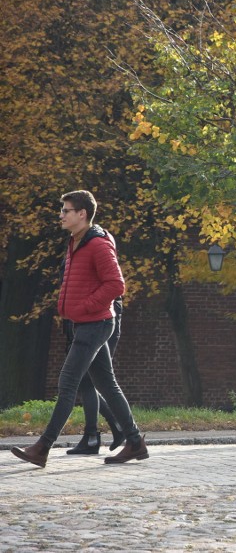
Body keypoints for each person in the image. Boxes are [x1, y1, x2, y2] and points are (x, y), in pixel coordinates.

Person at [11, 190, 147, 467]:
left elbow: (116, 285)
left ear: (81, 214)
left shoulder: (97, 244)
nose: (61, 215)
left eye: (66, 210)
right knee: (107, 385)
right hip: (86, 323)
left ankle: (42, 448)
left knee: (67, 383)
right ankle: (135, 442)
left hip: (95, 324)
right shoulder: (76, 242)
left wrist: (86, 306)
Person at [61, 297, 125, 455]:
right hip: (94, 326)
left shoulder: (92, 272)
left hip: (97, 326)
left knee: (86, 381)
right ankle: (116, 425)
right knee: (87, 381)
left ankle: (93, 436)